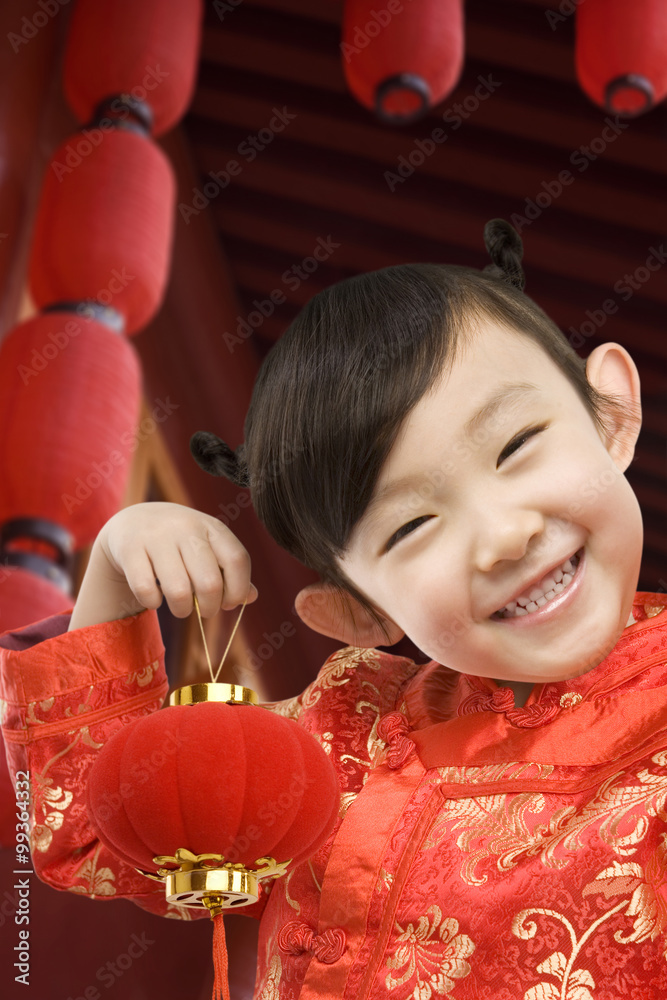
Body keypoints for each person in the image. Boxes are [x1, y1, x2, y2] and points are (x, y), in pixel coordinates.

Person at [2, 219, 666, 1000]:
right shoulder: (338, 738)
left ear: (611, 414)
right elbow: (90, 831)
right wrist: (115, 560)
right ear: (356, 613)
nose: (503, 536)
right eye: (414, 526)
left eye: (516, 446)